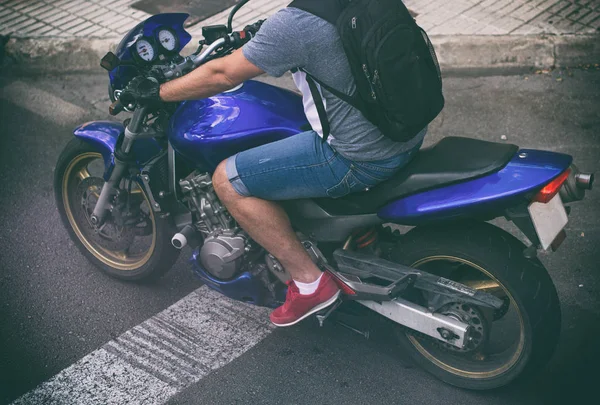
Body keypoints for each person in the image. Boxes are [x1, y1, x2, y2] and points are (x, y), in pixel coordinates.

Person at [122, 6, 426, 327]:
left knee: (227, 179)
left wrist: (158, 92)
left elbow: (221, 74)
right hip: (402, 133)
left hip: (358, 156)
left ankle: (309, 283)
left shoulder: (295, 24)